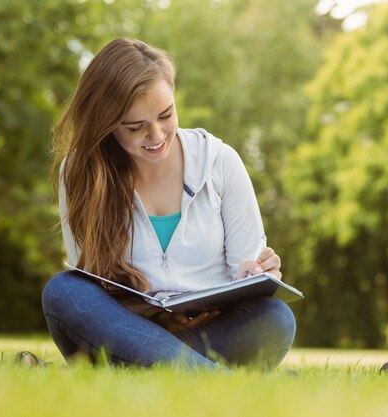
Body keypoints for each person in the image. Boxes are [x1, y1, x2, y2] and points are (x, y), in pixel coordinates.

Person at [40, 38, 296, 370]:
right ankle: (215, 380)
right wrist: (160, 323)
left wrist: (256, 273)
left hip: (210, 331)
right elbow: (92, 285)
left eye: (166, 114)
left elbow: (244, 272)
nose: (158, 135)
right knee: (65, 292)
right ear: (106, 125)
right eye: (135, 127)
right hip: (126, 331)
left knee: (275, 318)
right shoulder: (79, 173)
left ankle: (140, 371)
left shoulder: (220, 162)